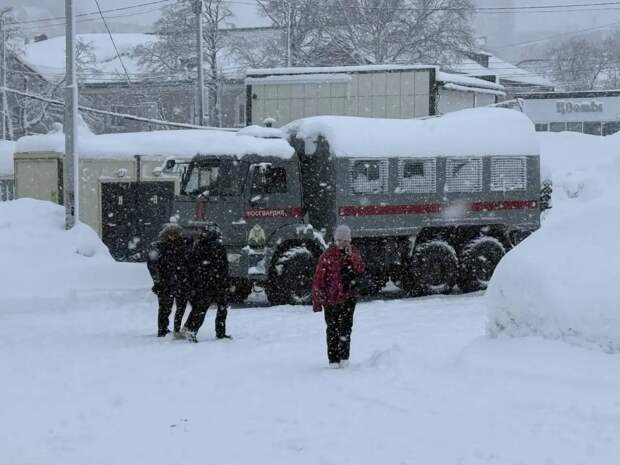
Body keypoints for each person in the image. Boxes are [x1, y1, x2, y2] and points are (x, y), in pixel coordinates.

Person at [312, 224, 365, 368]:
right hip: (331, 299)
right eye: (339, 240)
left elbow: (360, 269)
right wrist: (317, 300)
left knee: (346, 328)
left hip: (349, 297)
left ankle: (344, 358)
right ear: (335, 240)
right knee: (332, 328)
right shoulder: (327, 255)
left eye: (345, 240)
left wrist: (351, 256)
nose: (342, 243)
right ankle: (333, 360)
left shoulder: (353, 253)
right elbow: (318, 279)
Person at [182, 223, 231, 343]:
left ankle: (190, 328)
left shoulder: (202, 245)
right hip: (211, 282)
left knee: (205, 308)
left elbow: (223, 266)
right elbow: (222, 266)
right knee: (206, 308)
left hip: (210, 282)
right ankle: (192, 330)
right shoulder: (209, 246)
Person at [147, 223, 191, 337]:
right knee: (165, 308)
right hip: (166, 282)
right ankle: (163, 329)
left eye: (175, 234)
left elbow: (189, 263)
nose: (173, 236)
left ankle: (176, 329)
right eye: (170, 234)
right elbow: (152, 265)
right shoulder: (159, 247)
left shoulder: (184, 246)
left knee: (180, 307)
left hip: (181, 281)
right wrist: (157, 281)